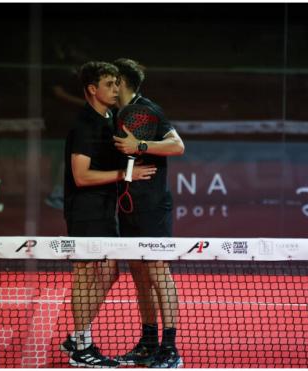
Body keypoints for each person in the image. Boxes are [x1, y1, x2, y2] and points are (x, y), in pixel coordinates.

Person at [61, 61, 156, 368]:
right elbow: (81, 176)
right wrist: (124, 174)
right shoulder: (86, 124)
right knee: (86, 275)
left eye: (118, 84)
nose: (117, 90)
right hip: (85, 211)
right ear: (92, 89)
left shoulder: (109, 118)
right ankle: (82, 346)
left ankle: (77, 337)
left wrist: (133, 167)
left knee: (109, 272)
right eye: (110, 84)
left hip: (104, 209)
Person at [112, 58, 185, 368]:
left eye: (112, 81)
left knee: (157, 273)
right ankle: (148, 342)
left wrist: (139, 145)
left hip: (152, 205)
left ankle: (170, 349)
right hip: (129, 205)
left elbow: (177, 146)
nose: (110, 86)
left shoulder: (146, 110)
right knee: (140, 277)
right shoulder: (117, 113)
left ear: (121, 83)